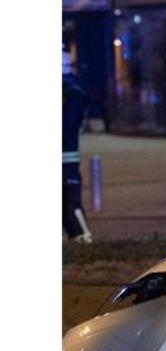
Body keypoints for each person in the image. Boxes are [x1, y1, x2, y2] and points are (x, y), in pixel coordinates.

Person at [63, 51, 93, 243]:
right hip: (66, 162)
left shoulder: (73, 95)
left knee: (70, 206)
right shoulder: (73, 94)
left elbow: (65, 127)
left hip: (65, 164)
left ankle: (83, 240)